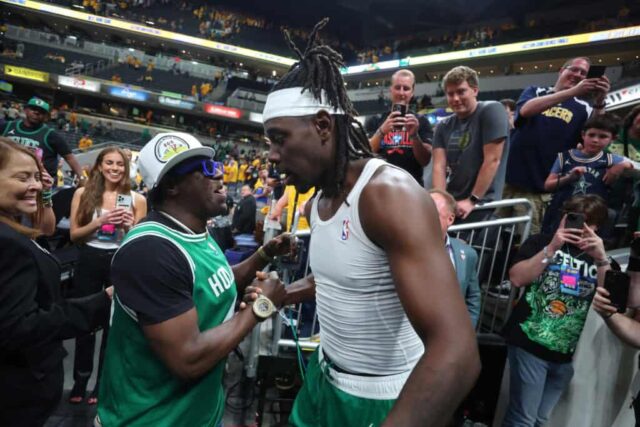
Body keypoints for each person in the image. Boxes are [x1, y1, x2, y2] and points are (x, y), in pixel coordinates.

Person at [257, 19, 480, 426]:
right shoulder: (315, 203)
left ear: (323, 125)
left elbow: (458, 352)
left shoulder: (388, 194)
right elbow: (343, 279)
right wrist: (285, 295)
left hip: (381, 400)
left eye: (279, 138)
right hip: (324, 380)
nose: (271, 155)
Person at [97, 132, 292, 426]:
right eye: (206, 170)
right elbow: (187, 360)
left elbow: (219, 282)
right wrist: (260, 308)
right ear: (172, 186)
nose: (220, 175)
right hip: (150, 419)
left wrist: (264, 254)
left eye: (215, 165)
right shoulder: (151, 249)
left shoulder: (196, 232)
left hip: (195, 414)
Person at [0, 138, 112, 427]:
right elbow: (19, 326)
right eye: (23, 177)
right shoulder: (7, 242)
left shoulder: (13, 229)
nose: (36, 185)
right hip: (17, 393)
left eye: (37, 177)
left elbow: (43, 228)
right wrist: (103, 303)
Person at [502, 194, 610, 427]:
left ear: (596, 227)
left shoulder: (598, 260)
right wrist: (551, 248)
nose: (577, 228)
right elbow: (517, 278)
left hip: (564, 355)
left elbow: (610, 298)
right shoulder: (540, 242)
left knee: (541, 420)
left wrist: (601, 258)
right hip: (529, 341)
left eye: (585, 224)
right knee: (523, 419)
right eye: (572, 219)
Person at [68, 147, 147, 405]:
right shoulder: (83, 193)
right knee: (85, 321)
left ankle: (102, 385)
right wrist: (99, 223)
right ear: (100, 166)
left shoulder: (136, 199)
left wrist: (128, 227)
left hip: (119, 261)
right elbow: (74, 235)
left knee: (114, 326)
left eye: (120, 164)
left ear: (126, 168)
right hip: (89, 258)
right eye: (109, 163)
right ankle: (80, 382)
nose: (115, 168)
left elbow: (140, 242)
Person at [504, 57, 612, 233]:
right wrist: (571, 92)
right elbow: (525, 111)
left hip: (540, 190)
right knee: (489, 238)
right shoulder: (536, 91)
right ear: (561, 71)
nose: (577, 74)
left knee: (524, 242)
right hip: (508, 181)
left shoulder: (584, 107)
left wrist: (600, 101)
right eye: (573, 69)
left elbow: (596, 135)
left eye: (583, 73)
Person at [432, 65, 509, 221]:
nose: (455, 99)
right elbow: (439, 166)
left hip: (482, 204)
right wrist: (441, 202)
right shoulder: (443, 125)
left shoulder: (492, 110)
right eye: (450, 94)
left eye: (461, 91)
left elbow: (492, 160)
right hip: (453, 203)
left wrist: (472, 200)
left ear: (475, 90)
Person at [542, 114, 631, 233]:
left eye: (603, 136)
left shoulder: (611, 159)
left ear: (613, 139)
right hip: (562, 213)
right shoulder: (565, 156)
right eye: (591, 135)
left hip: (592, 218)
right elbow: (548, 185)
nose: (595, 140)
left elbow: (635, 167)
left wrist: (623, 165)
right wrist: (569, 178)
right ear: (583, 135)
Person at [366, 69, 433, 186]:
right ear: (390, 89)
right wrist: (382, 131)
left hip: (412, 187)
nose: (401, 93)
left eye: (406, 88)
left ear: (412, 92)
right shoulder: (375, 121)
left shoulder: (421, 121)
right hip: (380, 187)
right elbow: (366, 153)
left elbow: (425, 160)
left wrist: (414, 135)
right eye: (397, 87)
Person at [1, 97, 84, 183]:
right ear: (25, 110)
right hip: (6, 176)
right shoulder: (6, 126)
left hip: (37, 182)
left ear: (46, 116)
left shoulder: (52, 135)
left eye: (41, 111)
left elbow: (70, 158)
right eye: (33, 109)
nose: (36, 112)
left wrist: (82, 178)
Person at [429, 189, 481, 327]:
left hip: (448, 334)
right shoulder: (404, 247)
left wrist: (467, 331)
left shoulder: (467, 253)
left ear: (450, 219)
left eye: (433, 214)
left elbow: (473, 297)